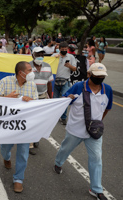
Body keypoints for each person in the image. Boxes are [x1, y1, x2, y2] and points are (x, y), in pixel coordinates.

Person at [54, 63, 112, 200]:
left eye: (102, 76)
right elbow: (64, 101)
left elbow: (107, 108)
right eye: (97, 76)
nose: (100, 78)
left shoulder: (107, 89)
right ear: (89, 74)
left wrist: (97, 122)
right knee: (65, 149)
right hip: (75, 129)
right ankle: (58, 162)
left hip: (94, 132)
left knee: (96, 158)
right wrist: (67, 98)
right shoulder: (78, 87)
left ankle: (96, 189)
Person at [0, 61, 38, 193]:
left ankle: (18, 179)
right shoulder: (5, 81)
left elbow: (37, 104)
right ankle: (6, 157)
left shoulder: (32, 85)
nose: (32, 73)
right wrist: (7, 97)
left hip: (25, 125)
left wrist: (31, 101)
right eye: (29, 70)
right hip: (8, 124)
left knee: (23, 153)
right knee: (5, 148)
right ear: (21, 73)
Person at [28, 47, 54, 154]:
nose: (40, 57)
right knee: (31, 120)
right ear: (33, 55)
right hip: (30, 98)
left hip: (43, 96)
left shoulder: (48, 67)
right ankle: (29, 144)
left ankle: (35, 138)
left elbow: (49, 83)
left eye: (42, 55)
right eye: (38, 55)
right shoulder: (27, 66)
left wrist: (51, 99)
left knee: (39, 120)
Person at [53, 42, 77, 125]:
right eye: (62, 49)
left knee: (65, 100)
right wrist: (54, 59)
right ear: (59, 49)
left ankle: (63, 118)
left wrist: (69, 66)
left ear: (67, 49)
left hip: (65, 81)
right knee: (55, 100)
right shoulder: (54, 56)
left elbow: (74, 69)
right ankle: (54, 116)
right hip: (55, 81)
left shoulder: (71, 57)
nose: (64, 50)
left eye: (65, 49)